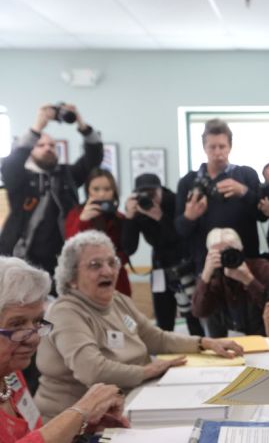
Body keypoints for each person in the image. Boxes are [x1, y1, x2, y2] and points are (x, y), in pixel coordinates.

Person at [33, 231, 243, 419]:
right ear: (71, 278)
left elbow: (156, 338)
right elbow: (92, 370)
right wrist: (147, 371)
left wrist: (204, 343)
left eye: (111, 262)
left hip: (128, 400)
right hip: (75, 422)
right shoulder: (65, 312)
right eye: (95, 265)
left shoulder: (117, 300)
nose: (108, 271)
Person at [0, 256, 128, 443]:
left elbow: (28, 436)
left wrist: (79, 428)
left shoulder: (10, 375)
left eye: (37, 322)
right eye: (17, 324)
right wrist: (79, 413)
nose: (34, 337)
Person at [0, 103, 103, 277]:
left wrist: (81, 124)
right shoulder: (19, 177)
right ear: (31, 150)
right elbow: (12, 162)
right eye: (41, 145)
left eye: (52, 145)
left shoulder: (67, 175)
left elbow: (93, 158)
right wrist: (38, 126)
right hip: (21, 259)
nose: (48, 148)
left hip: (63, 259)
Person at [121, 173, 204, 335]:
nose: (148, 198)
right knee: (163, 322)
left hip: (185, 265)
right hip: (160, 268)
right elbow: (129, 248)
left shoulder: (174, 201)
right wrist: (129, 218)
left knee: (194, 318)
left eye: (152, 193)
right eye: (143, 194)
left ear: (161, 190)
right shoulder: (139, 208)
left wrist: (160, 217)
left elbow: (180, 236)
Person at [175, 118, 262, 273]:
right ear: (204, 148)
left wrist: (243, 192)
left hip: (245, 260)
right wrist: (189, 217)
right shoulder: (188, 182)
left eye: (222, 146)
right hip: (205, 264)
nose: (217, 152)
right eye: (212, 147)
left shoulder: (246, 175)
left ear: (230, 147)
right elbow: (180, 231)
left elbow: (262, 215)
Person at [191, 228, 269, 337]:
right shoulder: (212, 277)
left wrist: (249, 280)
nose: (226, 256)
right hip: (224, 342)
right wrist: (206, 275)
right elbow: (199, 312)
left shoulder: (261, 268)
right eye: (219, 253)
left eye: (229, 251)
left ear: (240, 249)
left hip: (260, 336)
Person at [64, 168, 130, 296]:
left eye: (107, 189)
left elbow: (127, 251)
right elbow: (69, 247)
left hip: (116, 281)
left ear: (114, 192)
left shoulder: (120, 218)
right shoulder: (76, 214)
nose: (101, 194)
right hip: (85, 282)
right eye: (96, 189)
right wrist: (83, 220)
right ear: (88, 190)